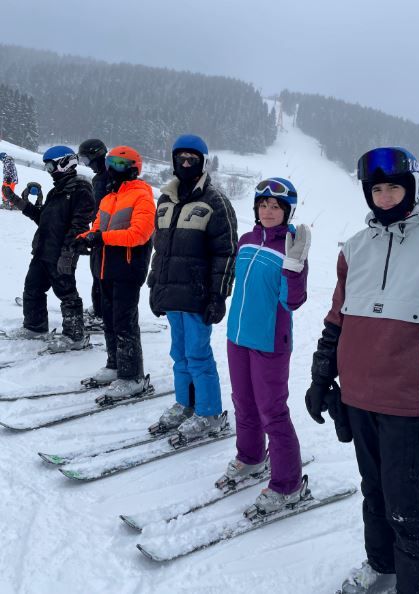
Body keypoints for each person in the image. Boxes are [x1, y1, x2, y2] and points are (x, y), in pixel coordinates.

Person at [305, 147, 419, 594]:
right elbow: (337, 319)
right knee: (373, 491)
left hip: (405, 399)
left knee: (404, 503)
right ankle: (382, 563)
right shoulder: (355, 248)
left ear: (412, 189)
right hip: (357, 395)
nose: (384, 196)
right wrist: (321, 376)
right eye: (376, 189)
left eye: (393, 188)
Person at [219, 177, 310, 514]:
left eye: (276, 206)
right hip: (237, 337)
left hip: (270, 341)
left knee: (272, 411)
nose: (268, 211)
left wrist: (294, 269)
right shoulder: (246, 241)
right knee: (243, 402)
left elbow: (293, 302)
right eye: (263, 205)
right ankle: (251, 457)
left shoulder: (290, 247)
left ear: (287, 211)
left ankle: (288, 485)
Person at [148, 134, 237, 439]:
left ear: (202, 163)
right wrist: (154, 285)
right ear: (174, 161)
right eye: (181, 159)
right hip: (172, 293)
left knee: (198, 355)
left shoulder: (215, 201)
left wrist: (218, 295)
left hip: (198, 295)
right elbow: (160, 248)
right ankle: (186, 404)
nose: (186, 164)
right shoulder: (165, 200)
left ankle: (210, 413)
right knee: (179, 354)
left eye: (192, 159)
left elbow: (226, 253)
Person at [75, 145, 155, 398]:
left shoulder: (142, 196)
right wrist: (84, 238)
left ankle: (133, 376)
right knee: (108, 319)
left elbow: (139, 234)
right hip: (104, 268)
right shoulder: (109, 198)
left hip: (128, 269)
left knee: (124, 322)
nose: (113, 169)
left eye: (120, 165)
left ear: (134, 168)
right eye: (111, 164)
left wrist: (102, 238)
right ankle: (115, 365)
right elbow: (97, 228)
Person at [3, 146, 94, 352]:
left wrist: (68, 253)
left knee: (66, 293)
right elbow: (42, 218)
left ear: (65, 163)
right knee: (33, 288)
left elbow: (80, 226)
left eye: (50, 166)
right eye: (46, 167)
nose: (48, 171)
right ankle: (35, 327)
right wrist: (18, 201)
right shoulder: (57, 190)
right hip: (43, 250)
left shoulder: (80, 190)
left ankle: (75, 337)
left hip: (61, 253)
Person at [78, 138, 109, 327]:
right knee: (96, 272)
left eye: (86, 160)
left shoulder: (107, 177)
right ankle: (99, 308)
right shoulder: (101, 176)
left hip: (105, 233)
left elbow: (102, 207)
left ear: (96, 155)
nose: (86, 165)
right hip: (98, 229)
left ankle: (101, 313)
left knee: (100, 274)